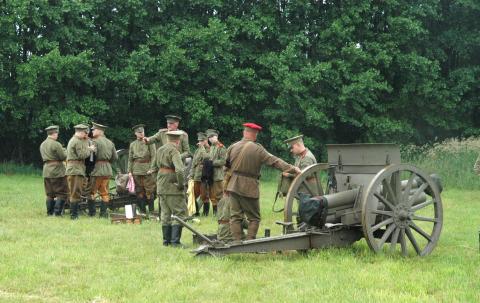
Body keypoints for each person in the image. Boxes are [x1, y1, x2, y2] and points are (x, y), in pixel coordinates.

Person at [225, 122, 300, 241]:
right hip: (249, 187)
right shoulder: (257, 149)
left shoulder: (233, 146)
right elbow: (275, 161)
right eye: (256, 133)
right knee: (254, 218)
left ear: (244, 133)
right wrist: (293, 168)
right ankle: (250, 243)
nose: (256, 136)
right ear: (253, 134)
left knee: (235, 217)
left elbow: (226, 166)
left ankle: (237, 243)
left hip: (232, 185)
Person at [148, 130, 188, 247]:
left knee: (165, 214)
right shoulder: (174, 150)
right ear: (178, 140)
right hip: (172, 186)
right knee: (179, 213)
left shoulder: (159, 150)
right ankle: (175, 242)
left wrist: (158, 181)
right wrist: (180, 184)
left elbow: (153, 169)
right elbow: (180, 170)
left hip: (161, 186)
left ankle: (166, 242)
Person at [66, 124, 95, 220]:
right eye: (85, 133)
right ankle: (74, 215)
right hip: (75, 169)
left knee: (76, 192)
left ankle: (75, 213)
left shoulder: (76, 140)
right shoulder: (77, 141)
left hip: (76, 169)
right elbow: (81, 155)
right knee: (75, 192)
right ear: (81, 132)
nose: (85, 135)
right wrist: (90, 149)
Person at [89, 122, 118, 218]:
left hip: (97, 170)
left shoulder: (94, 142)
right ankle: (103, 214)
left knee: (91, 192)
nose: (92, 131)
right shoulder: (110, 143)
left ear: (100, 131)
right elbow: (115, 157)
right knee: (105, 192)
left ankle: (92, 213)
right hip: (107, 170)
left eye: (94, 129)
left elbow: (91, 157)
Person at [39, 125, 68, 216]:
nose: (57, 135)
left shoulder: (42, 144)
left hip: (46, 170)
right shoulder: (56, 144)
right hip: (57, 171)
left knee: (50, 193)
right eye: (57, 133)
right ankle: (57, 213)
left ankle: (49, 213)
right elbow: (63, 156)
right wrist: (65, 150)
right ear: (54, 133)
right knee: (62, 192)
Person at [127, 124, 157, 213]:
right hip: (136, 170)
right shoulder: (132, 144)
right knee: (139, 191)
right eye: (139, 132)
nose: (141, 134)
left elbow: (154, 156)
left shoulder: (149, 142)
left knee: (149, 191)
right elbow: (130, 159)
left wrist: (152, 168)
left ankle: (152, 212)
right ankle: (143, 211)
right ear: (135, 133)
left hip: (147, 170)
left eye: (142, 132)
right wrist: (129, 171)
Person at [206, 129, 227, 216]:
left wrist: (212, 163)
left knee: (219, 194)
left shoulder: (221, 147)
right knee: (213, 195)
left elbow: (223, 161)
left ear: (216, 137)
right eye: (209, 137)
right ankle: (216, 212)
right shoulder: (212, 147)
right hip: (211, 174)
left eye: (212, 137)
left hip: (218, 174)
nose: (210, 139)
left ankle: (222, 212)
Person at [191, 132, 210, 216]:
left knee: (204, 195)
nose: (200, 142)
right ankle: (196, 212)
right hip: (197, 175)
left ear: (206, 140)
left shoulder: (209, 149)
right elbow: (194, 163)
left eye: (202, 140)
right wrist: (191, 174)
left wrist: (202, 147)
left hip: (204, 175)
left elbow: (206, 158)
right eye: (199, 140)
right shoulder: (197, 150)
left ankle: (205, 213)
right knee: (193, 194)